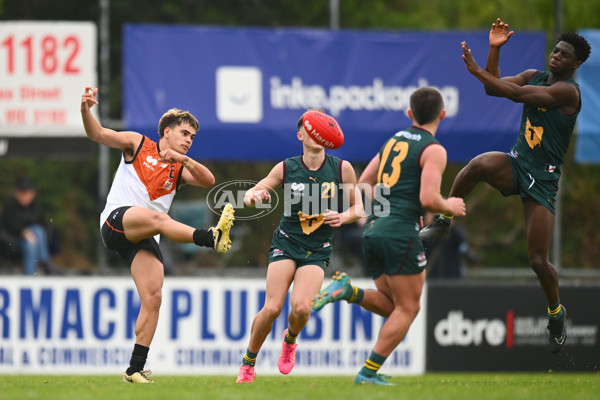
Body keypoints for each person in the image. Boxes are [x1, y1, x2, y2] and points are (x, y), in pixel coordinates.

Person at [419, 19, 591, 353]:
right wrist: (494, 50)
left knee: (538, 261)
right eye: (555, 50)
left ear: (576, 64)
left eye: (564, 54)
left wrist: (476, 70)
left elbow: (514, 94)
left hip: (542, 179)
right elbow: (493, 87)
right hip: (517, 163)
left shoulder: (569, 92)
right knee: (478, 165)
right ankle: (443, 220)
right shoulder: (534, 74)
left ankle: (556, 313)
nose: (556, 56)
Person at [80, 86, 235, 383]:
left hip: (144, 234)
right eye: (184, 133)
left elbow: (209, 180)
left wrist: (184, 160)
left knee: (153, 297)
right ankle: (209, 238)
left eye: (192, 137)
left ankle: (134, 369)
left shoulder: (180, 168)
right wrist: (86, 109)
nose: (189, 140)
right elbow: (97, 134)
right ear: (166, 131)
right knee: (158, 217)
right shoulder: (138, 144)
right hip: (116, 222)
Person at [312, 87, 466, 385]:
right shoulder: (433, 149)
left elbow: (365, 182)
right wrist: (451, 205)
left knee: (393, 304)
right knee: (410, 308)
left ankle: (348, 292)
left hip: (374, 231)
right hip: (399, 233)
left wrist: (377, 212)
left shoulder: (394, 140)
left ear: (410, 114)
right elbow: (430, 198)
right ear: (442, 115)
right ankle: (368, 373)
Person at [236, 109, 363, 383]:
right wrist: (253, 197)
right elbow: (253, 193)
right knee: (271, 309)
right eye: (310, 128)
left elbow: (359, 208)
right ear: (301, 135)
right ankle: (248, 362)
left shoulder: (342, 168)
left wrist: (342, 216)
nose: (316, 132)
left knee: (302, 308)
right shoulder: (286, 167)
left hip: (317, 251)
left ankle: (290, 340)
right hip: (286, 243)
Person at [0, 178, 57, 275]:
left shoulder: (36, 207)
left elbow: (42, 223)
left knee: (36, 234)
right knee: (32, 240)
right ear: (17, 194)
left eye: (27, 193)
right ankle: (42, 264)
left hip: (34, 239)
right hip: (13, 240)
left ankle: (35, 270)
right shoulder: (10, 206)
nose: (25, 196)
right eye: (22, 193)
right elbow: (9, 224)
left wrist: (31, 234)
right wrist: (23, 232)